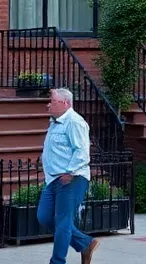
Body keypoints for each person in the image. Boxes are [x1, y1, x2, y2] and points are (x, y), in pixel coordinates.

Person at [39, 88, 99, 264]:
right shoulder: (55, 122)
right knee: (44, 216)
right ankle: (85, 243)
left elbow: (81, 151)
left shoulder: (74, 122)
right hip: (53, 179)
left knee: (63, 222)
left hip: (72, 178)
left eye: (53, 101)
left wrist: (70, 172)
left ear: (65, 103)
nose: (48, 104)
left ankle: (57, 261)